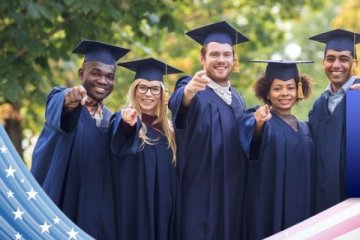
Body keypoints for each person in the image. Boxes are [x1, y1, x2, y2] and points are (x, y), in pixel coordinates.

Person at [31, 39, 130, 239]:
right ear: (81, 74)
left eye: (110, 76)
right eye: (96, 73)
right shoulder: (63, 102)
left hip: (93, 219)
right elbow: (60, 108)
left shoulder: (111, 121)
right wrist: (69, 99)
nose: (103, 81)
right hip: (60, 209)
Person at [168, 21, 249, 240]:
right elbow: (179, 103)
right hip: (200, 193)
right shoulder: (193, 87)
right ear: (202, 59)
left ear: (234, 60)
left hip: (233, 195)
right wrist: (188, 92)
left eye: (226, 54)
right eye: (214, 55)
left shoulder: (239, 99)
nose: (221, 60)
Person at [239, 60, 314, 239]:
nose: (285, 93)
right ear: (267, 92)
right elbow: (253, 136)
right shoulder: (260, 118)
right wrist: (259, 124)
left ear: (298, 90)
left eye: (290, 87)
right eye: (277, 88)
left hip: (302, 208)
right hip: (269, 207)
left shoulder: (306, 127)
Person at [110, 58, 182, 240]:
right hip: (135, 213)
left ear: (162, 94)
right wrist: (128, 123)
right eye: (142, 87)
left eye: (154, 88)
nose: (148, 94)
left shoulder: (170, 132)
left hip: (165, 214)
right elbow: (120, 138)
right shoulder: (126, 120)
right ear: (134, 90)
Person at [308, 29, 360, 213]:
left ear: (354, 63)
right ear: (323, 63)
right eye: (330, 59)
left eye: (344, 59)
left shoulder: (359, 95)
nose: (336, 64)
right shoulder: (318, 105)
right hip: (323, 207)